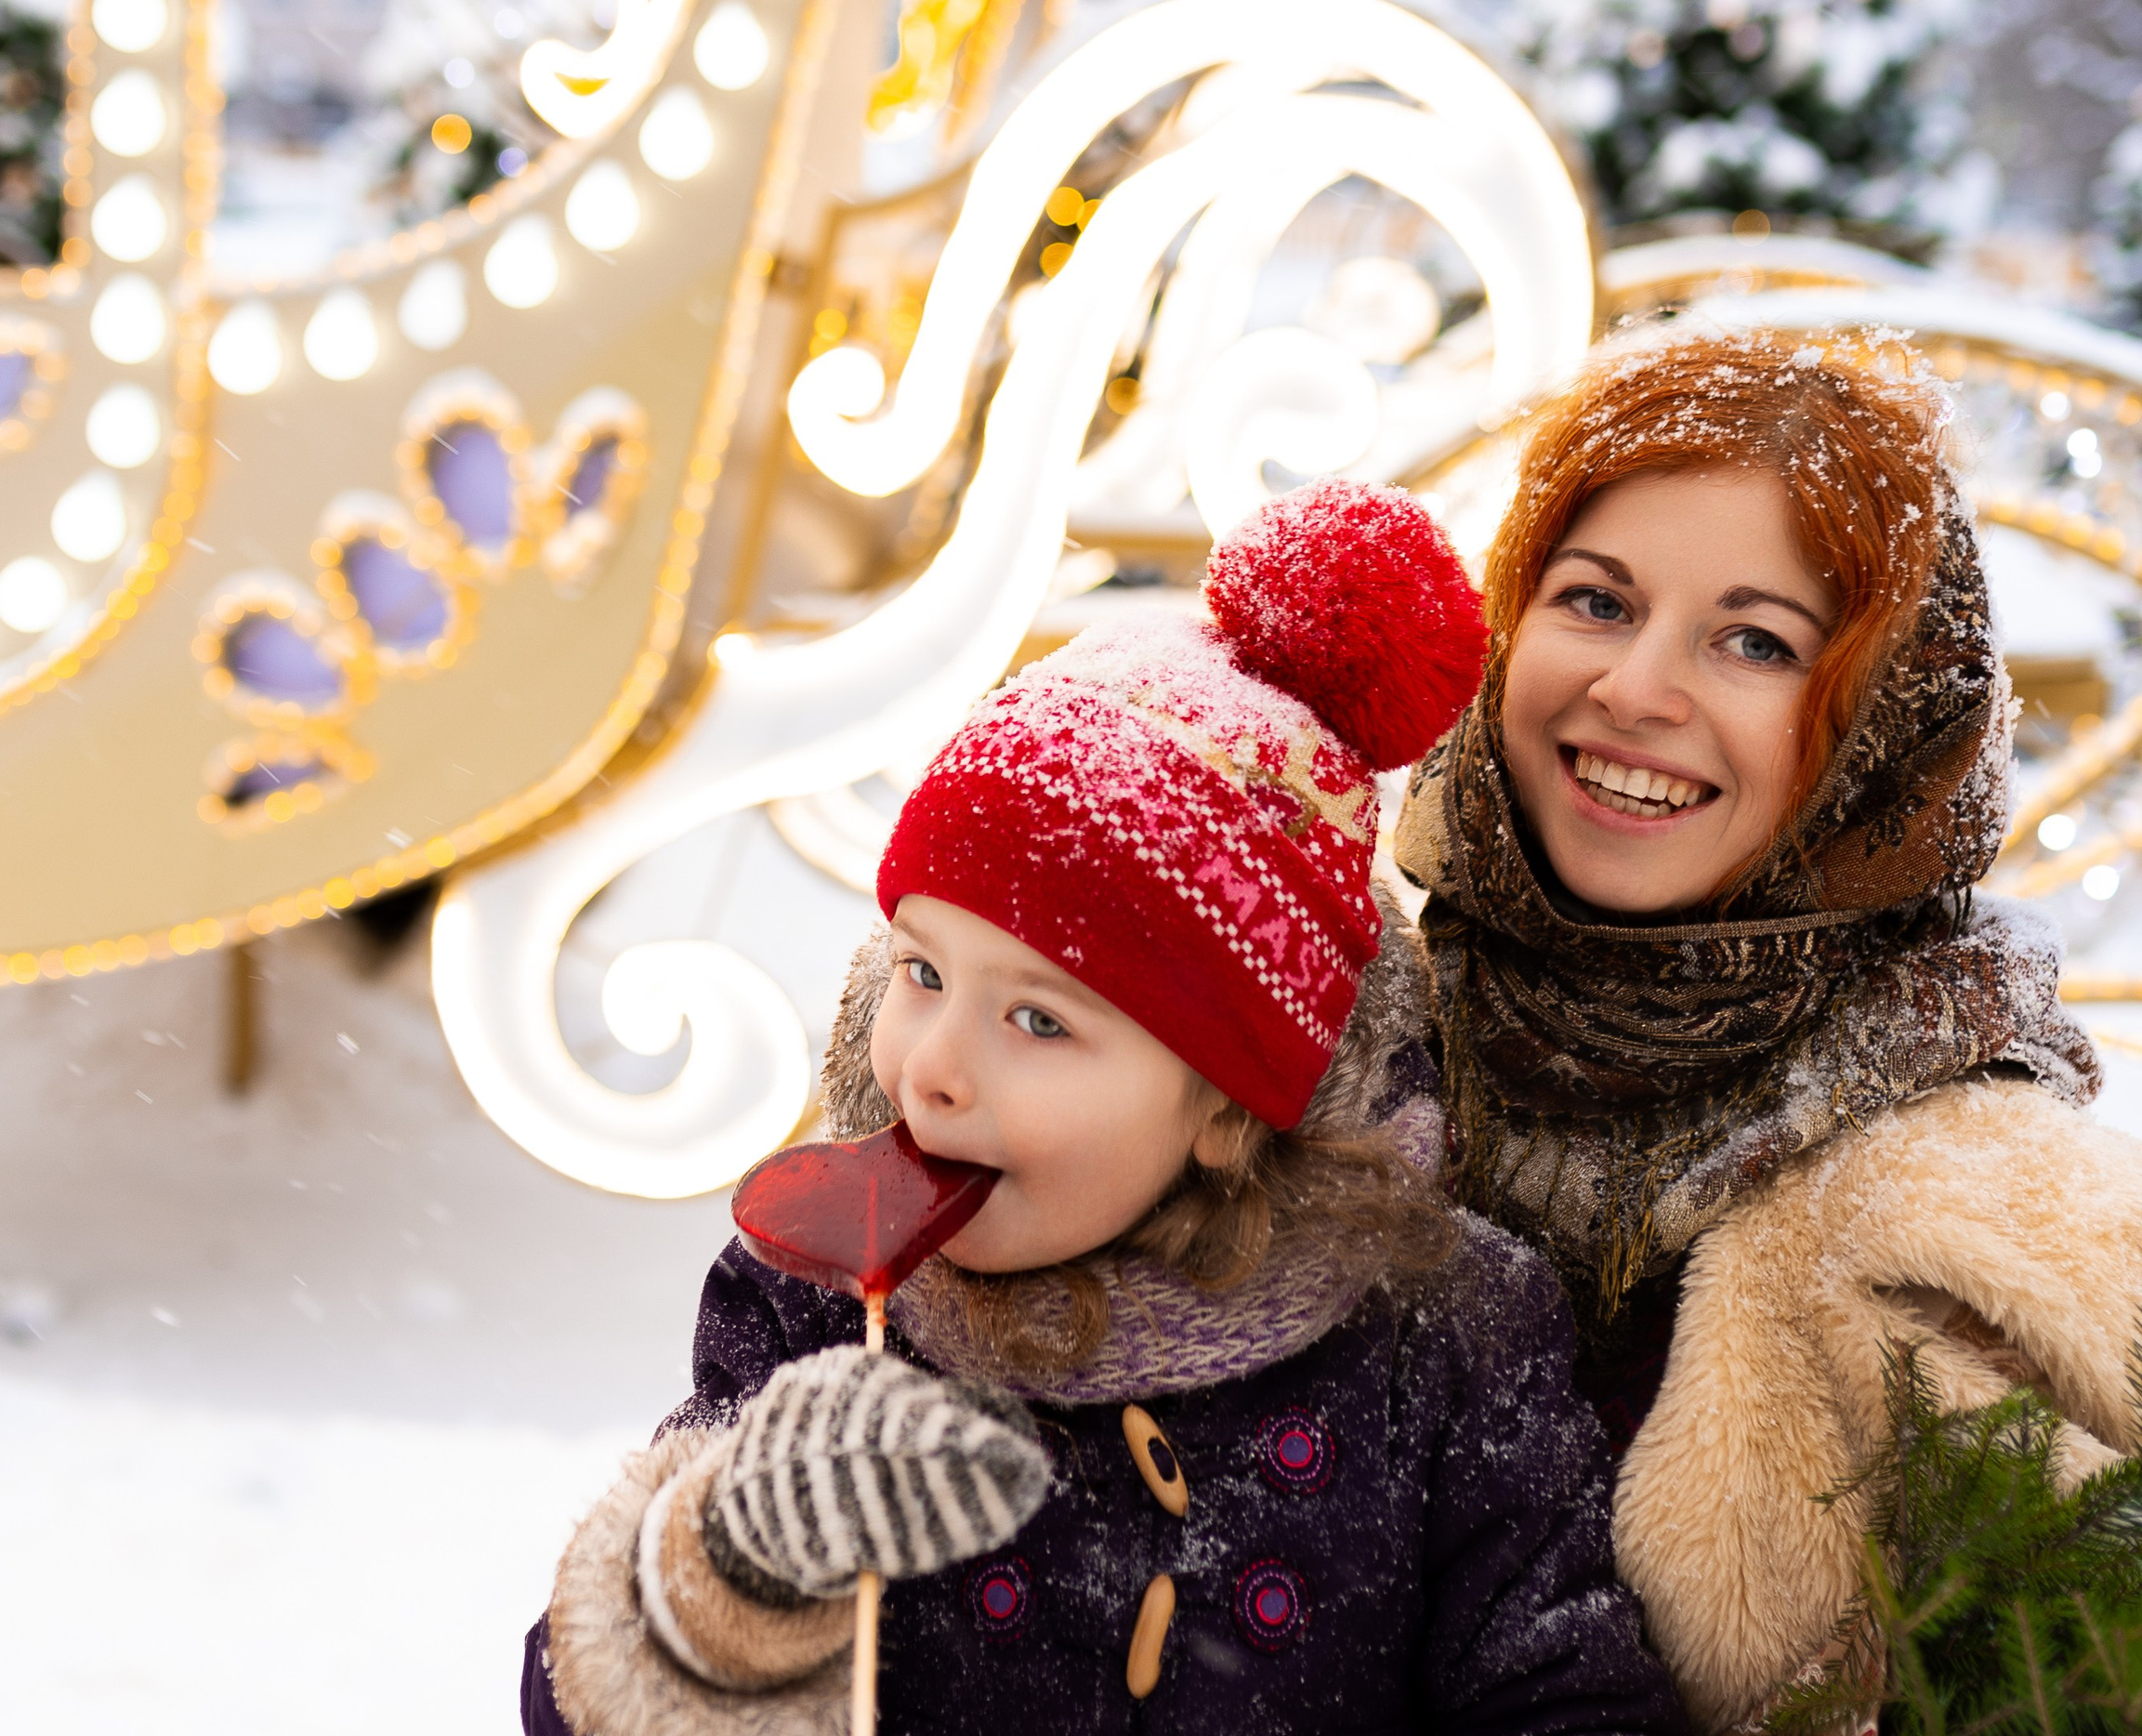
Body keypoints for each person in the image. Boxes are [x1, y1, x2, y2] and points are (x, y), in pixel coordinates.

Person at [524, 483, 1686, 1736]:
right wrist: (734, 1561)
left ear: (1231, 1106)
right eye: (923, 973)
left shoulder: (1440, 1331)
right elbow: (576, 1700)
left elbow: (1564, 1687)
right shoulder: (814, 1303)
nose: (934, 1070)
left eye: (1039, 1021)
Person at [1396, 329, 2142, 1730]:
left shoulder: (1959, 1214)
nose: (1636, 690)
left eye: (1757, 642)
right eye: (1596, 602)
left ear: (1878, 728)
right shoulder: (1329, 1047)